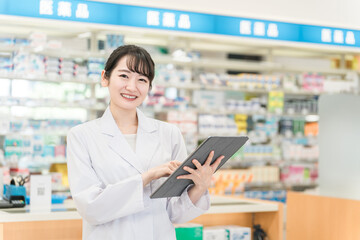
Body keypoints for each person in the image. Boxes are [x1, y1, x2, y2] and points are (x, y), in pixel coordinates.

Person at [67, 45, 224, 240]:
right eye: (124, 76)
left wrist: (199, 186)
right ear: (104, 78)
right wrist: (147, 177)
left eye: (142, 80)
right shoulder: (82, 136)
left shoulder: (169, 134)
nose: (132, 87)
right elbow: (90, 208)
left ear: (149, 87)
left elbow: (176, 214)